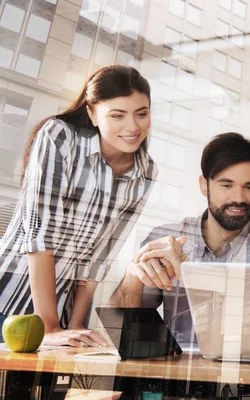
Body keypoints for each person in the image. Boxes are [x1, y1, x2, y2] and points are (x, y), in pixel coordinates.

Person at [0, 65, 156, 347]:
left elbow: (101, 257)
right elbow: (39, 235)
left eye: (141, 113)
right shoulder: (60, 137)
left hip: (65, 312)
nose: (133, 126)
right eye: (118, 115)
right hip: (8, 302)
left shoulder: (146, 171)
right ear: (93, 113)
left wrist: (74, 324)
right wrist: (49, 327)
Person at [109, 132, 250, 344]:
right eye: (226, 185)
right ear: (204, 185)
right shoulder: (164, 239)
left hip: (245, 374)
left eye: (249, 187)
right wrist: (133, 279)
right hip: (175, 373)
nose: (238, 198)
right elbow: (120, 333)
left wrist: (188, 273)